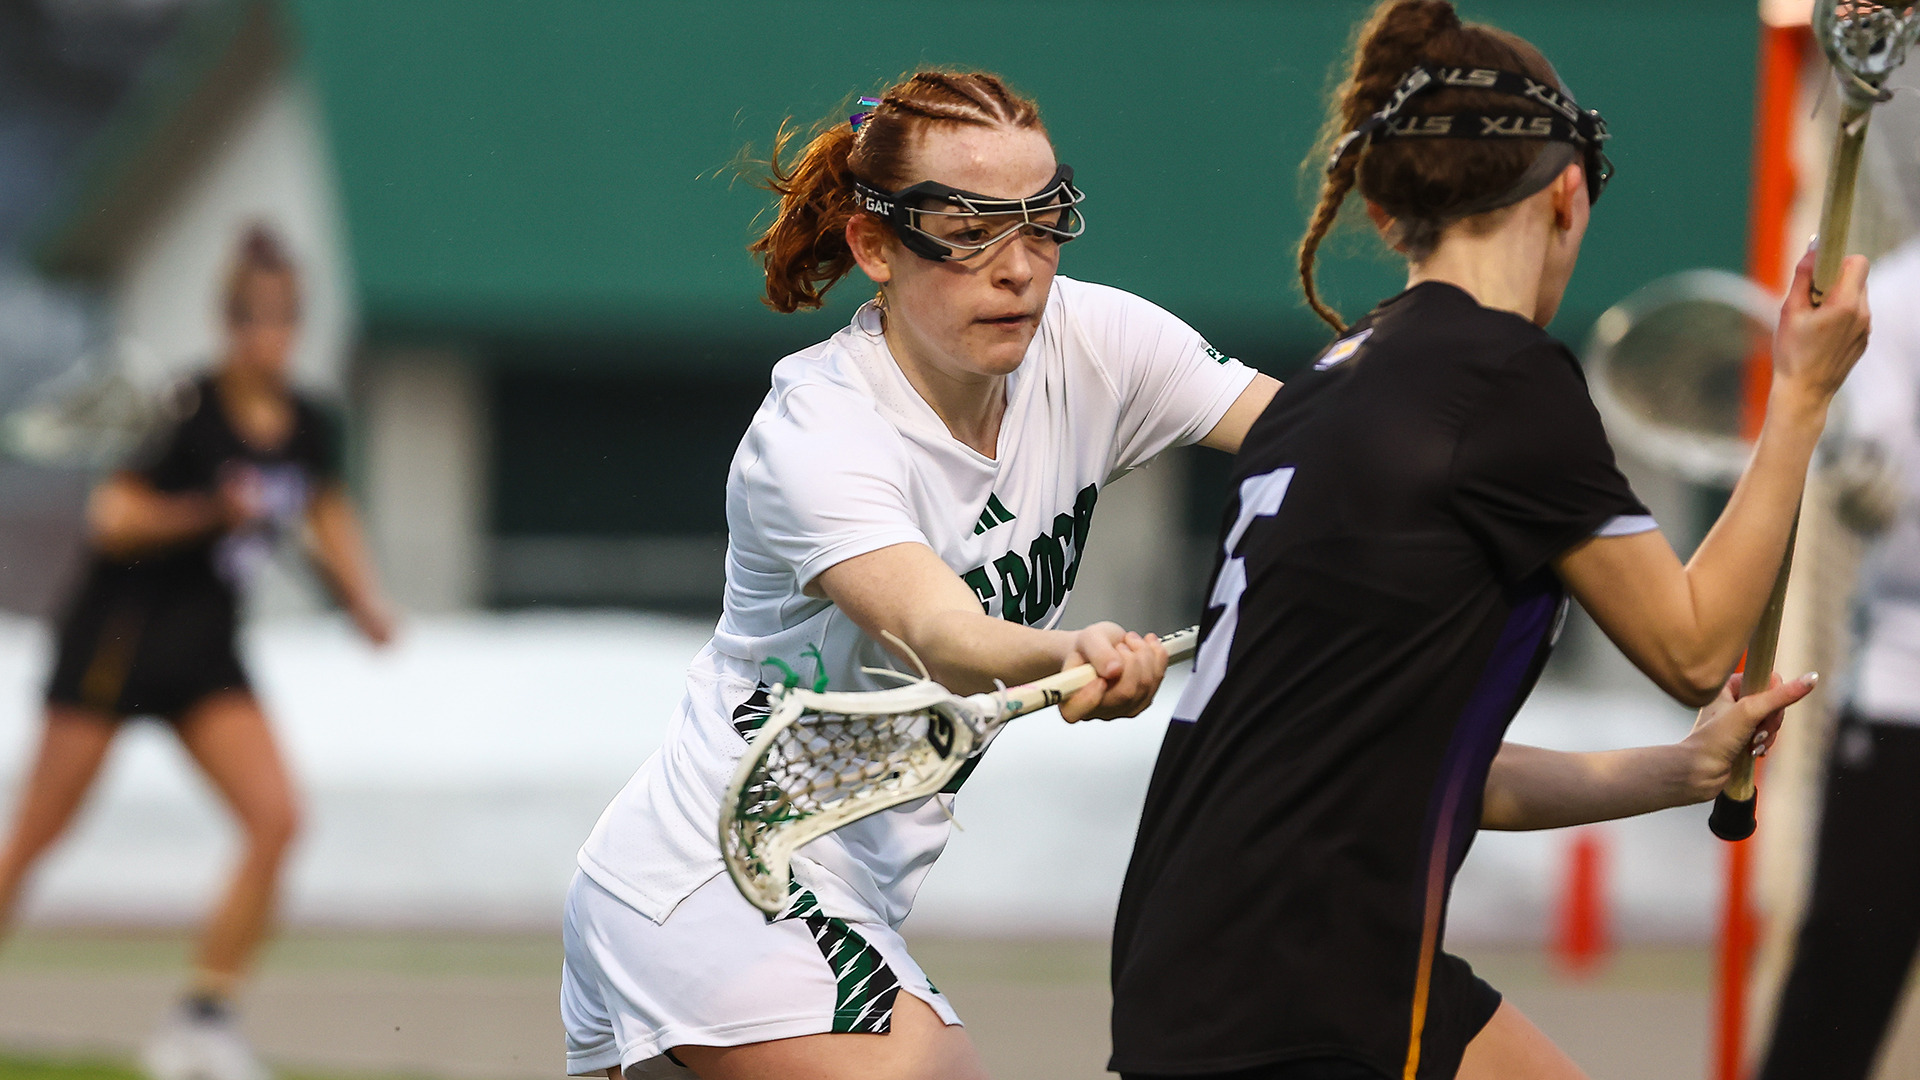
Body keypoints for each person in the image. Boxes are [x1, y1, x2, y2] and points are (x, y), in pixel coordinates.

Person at [1107, 3, 1871, 1078]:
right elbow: (1695, 649)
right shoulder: (1497, 376)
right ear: (1567, 190)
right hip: (1305, 980)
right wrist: (1799, 400)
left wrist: (1677, 768)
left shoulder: (1331, 386)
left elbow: (1423, 757)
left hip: (1221, 956)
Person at [560, 70, 1281, 1080]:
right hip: (725, 871)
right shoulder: (820, 430)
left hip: (840, 892)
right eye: (968, 227)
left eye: (1041, 222)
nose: (1018, 268)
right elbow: (943, 637)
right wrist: (1066, 649)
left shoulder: (1097, 343)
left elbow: (1320, 447)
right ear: (874, 247)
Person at [0, 225, 396, 1080]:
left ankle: (200, 1022)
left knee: (277, 819)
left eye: (285, 319)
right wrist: (210, 512)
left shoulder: (308, 423)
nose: (271, 337)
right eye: (255, 319)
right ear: (228, 324)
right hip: (116, 640)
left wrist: (363, 597)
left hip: (205, 651)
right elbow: (113, 518)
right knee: (32, 837)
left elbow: (325, 509)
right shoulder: (184, 409)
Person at [1754, 94, 1920, 1077]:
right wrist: (1864, 482)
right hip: (1906, 698)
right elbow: (1879, 483)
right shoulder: (1894, 300)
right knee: (1836, 999)